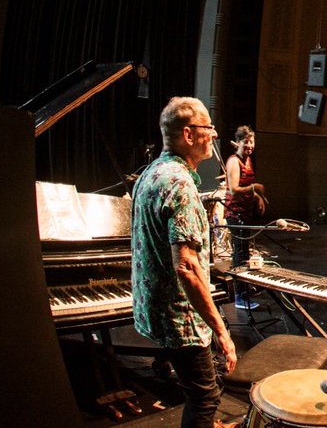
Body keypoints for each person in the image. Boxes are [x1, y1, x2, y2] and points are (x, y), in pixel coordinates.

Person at [131, 97, 236, 428]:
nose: (215, 135)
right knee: (205, 398)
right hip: (181, 320)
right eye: (209, 128)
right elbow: (187, 267)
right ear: (189, 134)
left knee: (195, 390)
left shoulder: (149, 174)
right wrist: (220, 329)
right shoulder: (180, 184)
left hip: (155, 311)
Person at [224, 125, 264, 309]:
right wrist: (254, 188)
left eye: (251, 142)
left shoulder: (248, 160)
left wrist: (256, 197)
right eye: (246, 142)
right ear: (238, 143)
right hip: (235, 214)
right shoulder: (234, 161)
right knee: (239, 255)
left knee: (245, 254)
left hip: (246, 213)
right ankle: (240, 297)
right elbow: (234, 190)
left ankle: (245, 291)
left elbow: (247, 186)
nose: (249, 145)